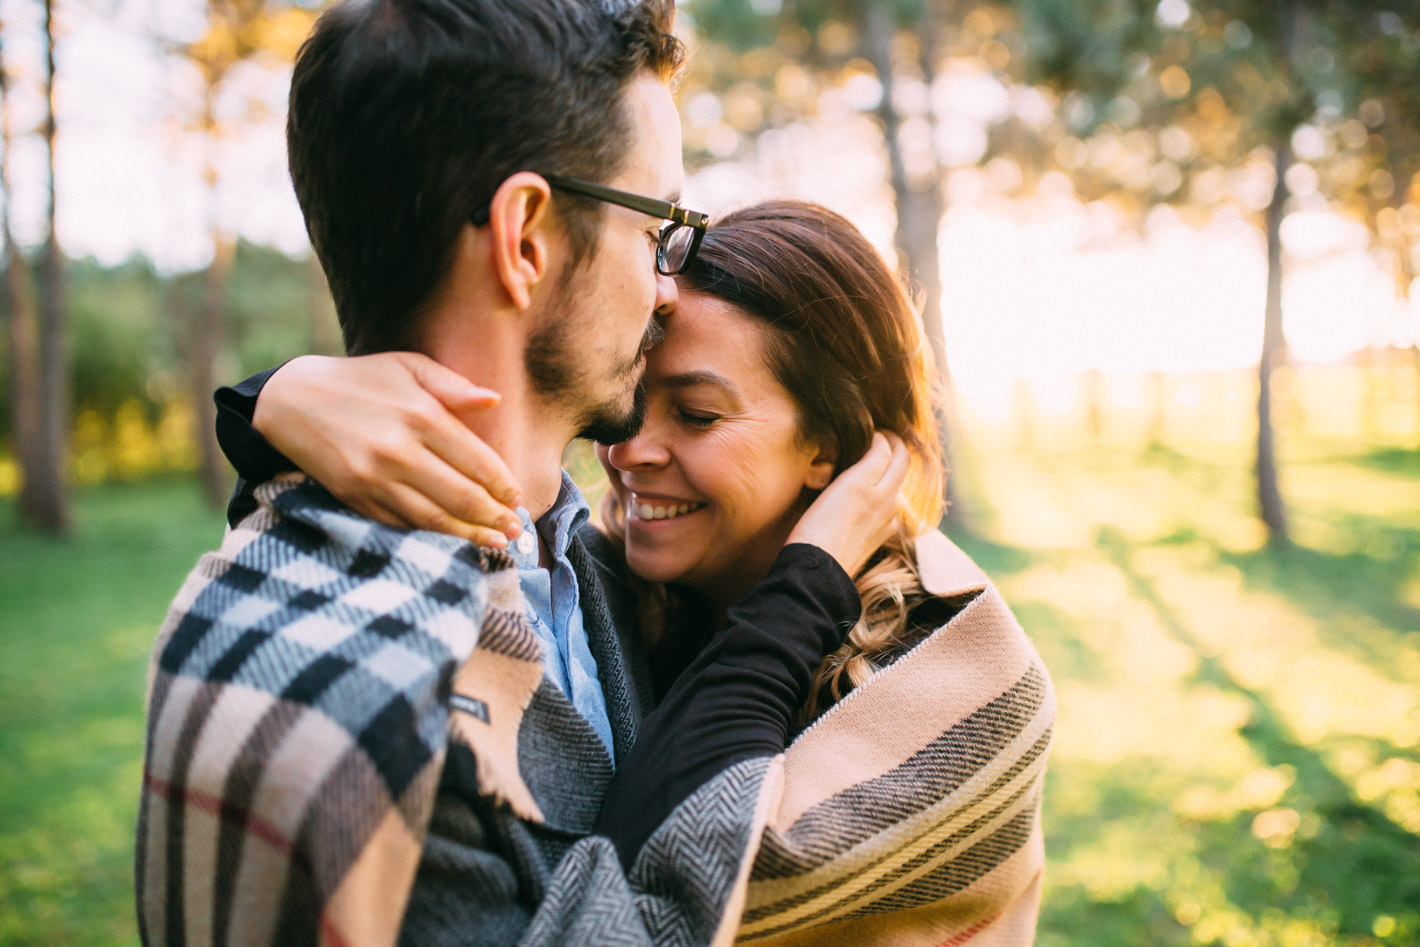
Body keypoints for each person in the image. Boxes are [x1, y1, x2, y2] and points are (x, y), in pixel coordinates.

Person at [135, 1, 906, 945]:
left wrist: (270, 402)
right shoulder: (367, 721)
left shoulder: (582, 552)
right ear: (525, 238)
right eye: (657, 222)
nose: (670, 287)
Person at [221, 201, 1056, 944]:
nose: (625, 451)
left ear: (826, 448)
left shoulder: (964, 677)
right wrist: (279, 397)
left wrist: (808, 578)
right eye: (632, 399)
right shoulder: (619, 587)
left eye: (697, 413)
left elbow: (667, 884)